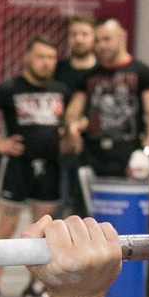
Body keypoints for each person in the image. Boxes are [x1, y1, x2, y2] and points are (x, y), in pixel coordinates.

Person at [74, 19, 149, 297]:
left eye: (106, 40)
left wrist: (146, 152)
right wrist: (71, 128)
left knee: (141, 227)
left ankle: (145, 290)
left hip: (130, 160)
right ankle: (86, 291)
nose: (101, 46)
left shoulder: (144, 73)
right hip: (93, 159)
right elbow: (74, 111)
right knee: (86, 224)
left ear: (122, 37)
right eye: (98, 41)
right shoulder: (88, 77)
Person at [0, 35, 67, 297]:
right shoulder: (10, 88)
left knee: (45, 230)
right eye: (41, 57)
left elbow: (73, 119)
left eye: (51, 58)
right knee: (7, 227)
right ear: (27, 57)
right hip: (17, 166)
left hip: (49, 167)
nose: (46, 63)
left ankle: (37, 286)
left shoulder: (62, 90)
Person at [52, 16, 99, 217]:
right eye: (74, 34)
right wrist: (65, 131)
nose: (79, 39)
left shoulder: (101, 72)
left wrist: (82, 125)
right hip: (61, 147)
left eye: (84, 34)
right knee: (59, 206)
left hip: (94, 148)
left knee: (90, 208)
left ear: (93, 37)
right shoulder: (57, 70)